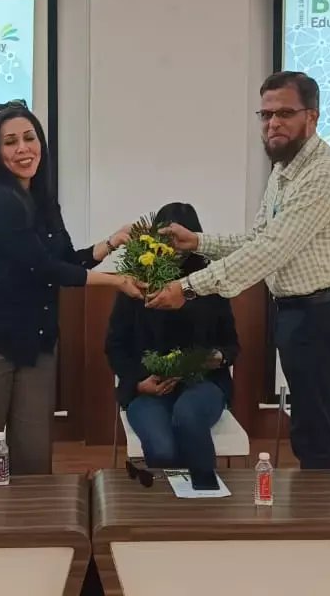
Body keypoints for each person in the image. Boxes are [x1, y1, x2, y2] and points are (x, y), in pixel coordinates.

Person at [148, 71, 330, 470]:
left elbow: (270, 250)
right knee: (327, 422)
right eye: (265, 114)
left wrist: (189, 287)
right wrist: (198, 242)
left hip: (321, 315)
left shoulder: (322, 174)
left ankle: (324, 508)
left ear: (312, 116)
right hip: (301, 314)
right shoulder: (284, 169)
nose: (272, 123)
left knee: (314, 433)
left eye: (284, 113)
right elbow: (258, 238)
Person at [0, 99, 144, 476]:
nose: (23, 149)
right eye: (10, 142)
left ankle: (30, 518)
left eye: (29, 138)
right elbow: (43, 269)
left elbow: (66, 260)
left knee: (34, 461)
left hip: (36, 343)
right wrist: (117, 281)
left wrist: (111, 243)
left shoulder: (43, 200)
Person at [106, 202, 239, 473]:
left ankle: (204, 489)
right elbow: (115, 345)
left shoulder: (209, 282)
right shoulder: (136, 283)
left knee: (188, 416)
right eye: (167, 240)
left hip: (202, 384)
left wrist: (216, 357)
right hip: (147, 388)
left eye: (181, 239)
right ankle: (173, 498)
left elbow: (231, 346)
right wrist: (139, 383)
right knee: (162, 449)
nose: (175, 248)